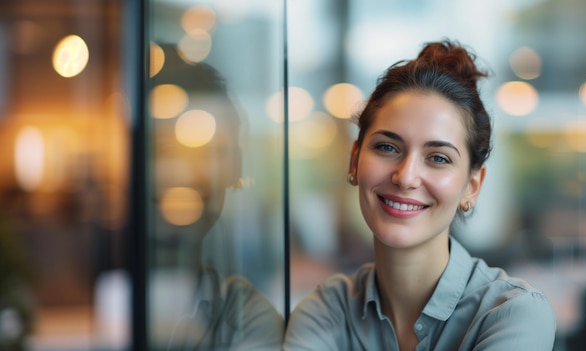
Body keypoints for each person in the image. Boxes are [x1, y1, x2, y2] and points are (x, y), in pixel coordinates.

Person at [283, 39, 556, 351]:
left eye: (438, 158)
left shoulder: (511, 314)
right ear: (355, 159)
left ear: (472, 186)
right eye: (387, 147)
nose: (406, 177)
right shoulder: (327, 310)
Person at [151, 44, 284, 350]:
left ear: (236, 170)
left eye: (215, 152)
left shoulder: (239, 311)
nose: (188, 174)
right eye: (167, 151)